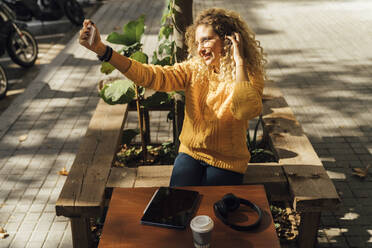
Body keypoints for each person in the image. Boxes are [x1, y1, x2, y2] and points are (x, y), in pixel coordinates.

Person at [79, 8, 266, 187]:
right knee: (177, 204)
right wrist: (103, 50)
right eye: (198, 42)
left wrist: (239, 61)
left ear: (229, 41)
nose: (200, 48)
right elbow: (151, 76)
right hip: (191, 153)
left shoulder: (248, 75)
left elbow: (245, 111)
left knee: (213, 210)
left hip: (227, 160)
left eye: (206, 40)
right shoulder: (195, 68)